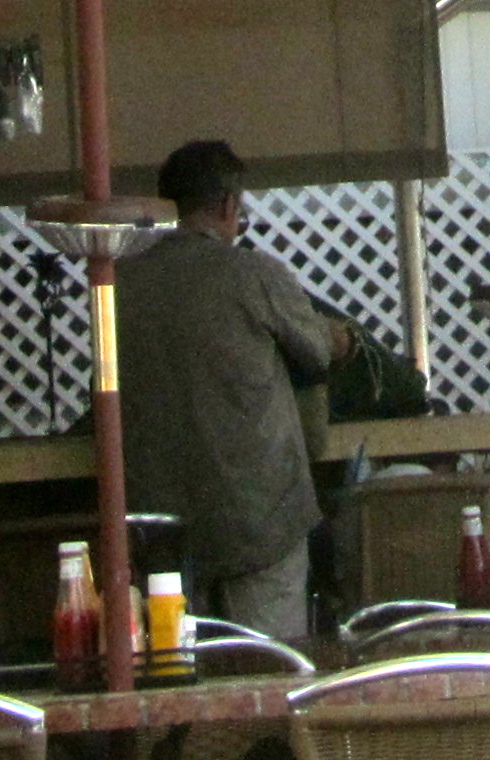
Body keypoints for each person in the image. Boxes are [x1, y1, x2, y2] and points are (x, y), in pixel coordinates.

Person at [119, 140, 347, 639]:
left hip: (164, 527)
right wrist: (340, 337)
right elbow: (315, 351)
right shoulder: (251, 274)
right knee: (270, 664)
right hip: (261, 516)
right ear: (228, 205)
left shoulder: (121, 285)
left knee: (181, 665)